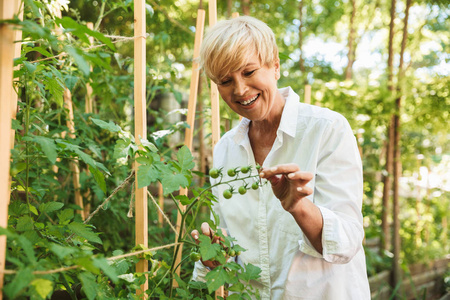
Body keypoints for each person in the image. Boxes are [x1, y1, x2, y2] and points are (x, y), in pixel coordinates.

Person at [190, 16, 371, 299]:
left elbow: (347, 242)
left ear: (275, 65)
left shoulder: (327, 130)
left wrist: (298, 207)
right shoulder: (226, 149)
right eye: (226, 81)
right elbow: (230, 242)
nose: (239, 89)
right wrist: (215, 253)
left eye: (249, 72)